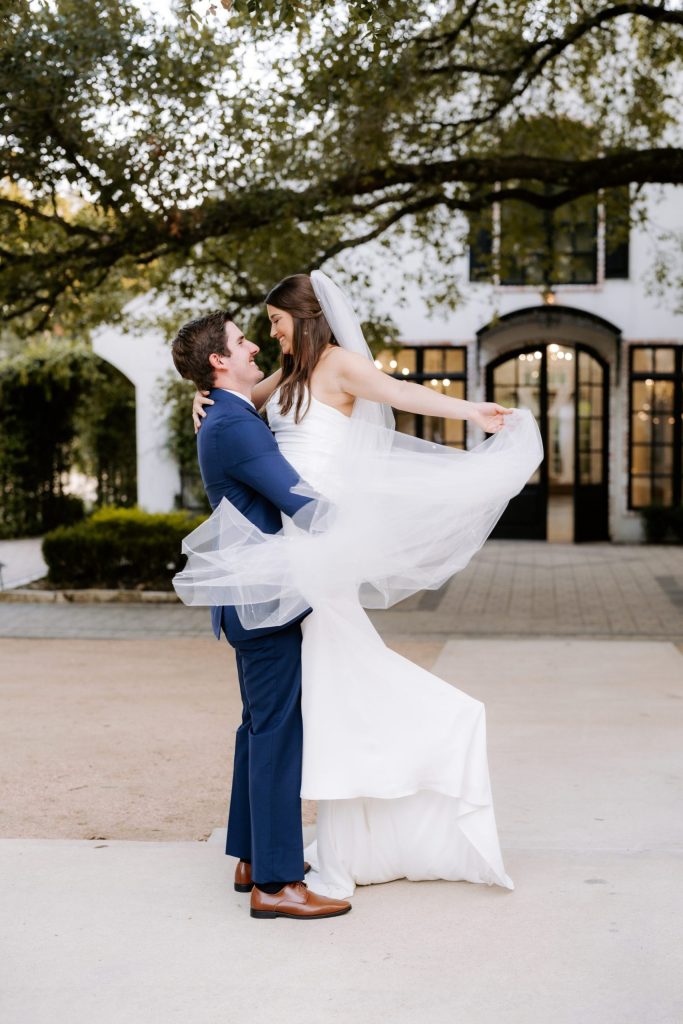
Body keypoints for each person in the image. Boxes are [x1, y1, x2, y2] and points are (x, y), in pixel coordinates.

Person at [179, 271, 543, 899]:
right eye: (255, 333)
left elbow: (398, 391)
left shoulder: (339, 364)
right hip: (292, 553)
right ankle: (272, 866)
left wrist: (472, 411)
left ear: (304, 316)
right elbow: (237, 407)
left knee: (290, 710)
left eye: (274, 322)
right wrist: (202, 401)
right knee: (283, 715)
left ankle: (273, 855)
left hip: (313, 552)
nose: (266, 338)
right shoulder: (285, 378)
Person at [171, 310, 352, 920]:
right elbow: (301, 503)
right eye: (240, 341)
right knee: (277, 733)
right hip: (263, 602)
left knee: (258, 728)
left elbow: (260, 391)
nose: (253, 346)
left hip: (250, 597)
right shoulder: (234, 426)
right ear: (220, 361)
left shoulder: (225, 413)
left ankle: (251, 854)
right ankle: (275, 885)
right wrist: (379, 511)